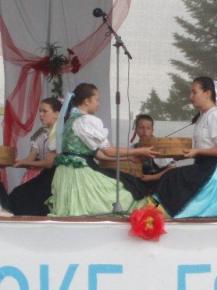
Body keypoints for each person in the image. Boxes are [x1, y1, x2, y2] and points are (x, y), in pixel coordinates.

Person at [153, 76, 217, 218]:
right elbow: (206, 147)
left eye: (194, 92)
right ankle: (164, 213)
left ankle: (162, 214)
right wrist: (183, 154)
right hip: (205, 165)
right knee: (172, 177)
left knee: (173, 178)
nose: (191, 97)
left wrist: (197, 151)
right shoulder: (203, 117)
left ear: (207, 93)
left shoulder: (216, 115)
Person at [48, 83, 157, 216]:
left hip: (64, 173)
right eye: (97, 100)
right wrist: (139, 151)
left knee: (72, 212)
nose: (98, 104)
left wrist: (126, 157)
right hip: (80, 174)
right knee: (124, 192)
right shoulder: (86, 120)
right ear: (87, 101)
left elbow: (98, 154)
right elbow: (108, 151)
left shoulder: (67, 120)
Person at [9, 98, 61, 215]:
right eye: (40, 112)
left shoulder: (60, 132)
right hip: (44, 174)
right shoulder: (40, 133)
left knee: (23, 196)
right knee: (18, 194)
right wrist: (16, 162)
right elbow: (30, 158)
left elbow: (49, 163)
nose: (41, 115)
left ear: (57, 114)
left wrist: (23, 163)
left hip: (56, 175)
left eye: (45, 111)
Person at [132, 114, 175, 190]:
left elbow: (172, 168)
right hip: (138, 184)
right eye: (141, 128)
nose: (144, 131)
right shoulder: (133, 148)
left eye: (148, 128)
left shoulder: (159, 147)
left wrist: (153, 177)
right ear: (136, 130)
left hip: (158, 185)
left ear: (152, 130)